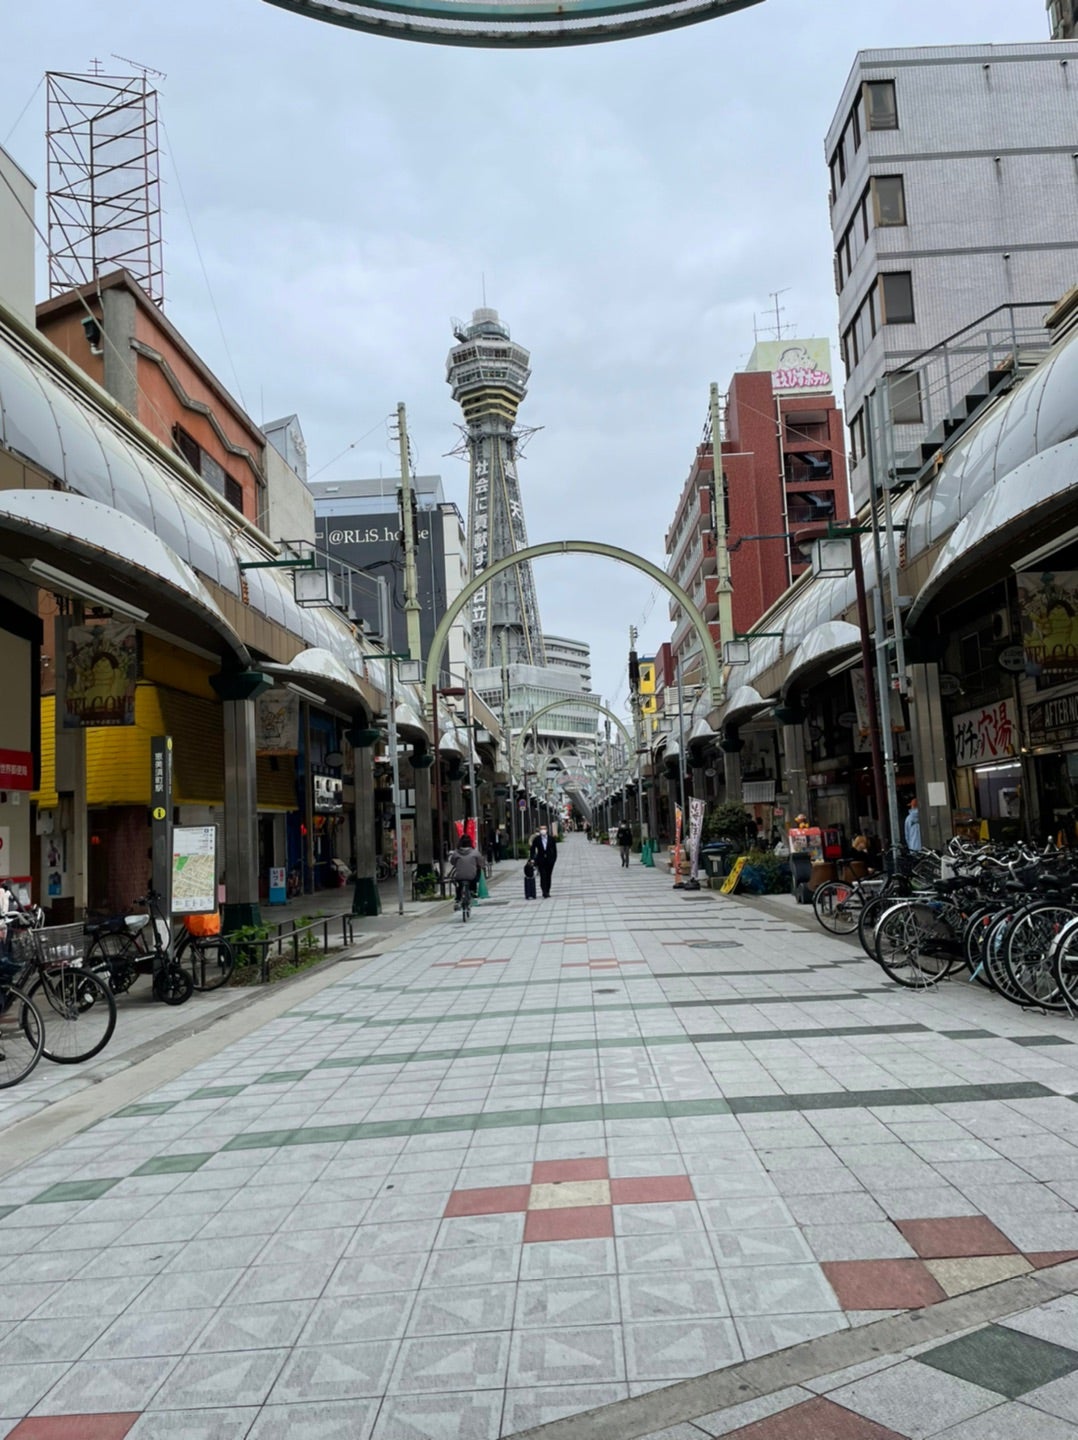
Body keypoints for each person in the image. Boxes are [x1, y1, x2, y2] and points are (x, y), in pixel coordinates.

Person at [447, 834, 483, 909]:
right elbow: (481, 863)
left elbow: (452, 862)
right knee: (477, 872)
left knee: (459, 885)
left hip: (459, 876)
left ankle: (458, 899)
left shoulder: (456, 852)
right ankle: (473, 891)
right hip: (472, 876)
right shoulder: (475, 852)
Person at [529, 824, 558, 898]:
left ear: (547, 830)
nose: (543, 830)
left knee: (548, 876)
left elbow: (554, 850)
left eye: (544, 829)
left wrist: (553, 860)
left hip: (549, 861)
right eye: (541, 829)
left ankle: (548, 890)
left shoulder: (551, 839)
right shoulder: (537, 839)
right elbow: (532, 850)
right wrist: (532, 859)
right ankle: (544, 891)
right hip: (541, 860)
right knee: (543, 875)